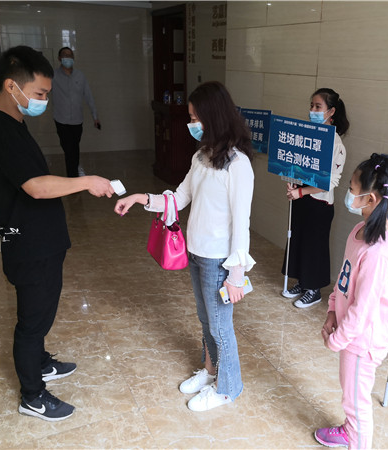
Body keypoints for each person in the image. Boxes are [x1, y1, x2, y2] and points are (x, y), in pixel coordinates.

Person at [0, 45, 114, 421]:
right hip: (28, 243)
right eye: (39, 93)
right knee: (31, 321)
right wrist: (85, 181)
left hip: (42, 239)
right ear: (11, 86)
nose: (43, 101)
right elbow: (36, 186)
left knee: (42, 311)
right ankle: (32, 396)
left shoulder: (14, 123)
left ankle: (40, 362)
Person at [114, 81, 255, 412]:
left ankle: (228, 388)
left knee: (220, 327)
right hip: (196, 253)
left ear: (213, 116)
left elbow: (241, 223)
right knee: (206, 321)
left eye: (195, 118)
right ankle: (210, 371)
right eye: (190, 117)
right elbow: (179, 198)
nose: (191, 124)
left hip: (219, 260)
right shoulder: (201, 157)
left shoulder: (238, 165)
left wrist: (236, 275)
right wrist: (140, 198)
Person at [315, 154, 388, 449]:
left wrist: (338, 339)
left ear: (370, 199)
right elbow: (344, 281)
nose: (348, 193)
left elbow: (363, 309)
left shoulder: (378, 253)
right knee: (350, 392)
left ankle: (357, 441)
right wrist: (332, 310)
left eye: (352, 189)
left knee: (356, 401)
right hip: (351, 334)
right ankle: (348, 431)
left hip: (362, 342)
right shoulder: (359, 232)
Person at [281, 88, 349, 308]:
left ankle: (314, 290)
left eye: (318, 107)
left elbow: (330, 181)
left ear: (331, 111)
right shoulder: (306, 136)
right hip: (301, 198)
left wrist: (301, 192)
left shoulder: (336, 145)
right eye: (311, 105)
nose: (312, 110)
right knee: (299, 240)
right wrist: (292, 181)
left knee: (314, 246)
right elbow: (296, 164)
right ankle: (302, 282)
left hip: (319, 203)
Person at [51, 47, 100, 177]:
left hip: (77, 121)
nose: (68, 57)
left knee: (74, 148)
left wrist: (95, 116)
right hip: (61, 120)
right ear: (59, 58)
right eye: (65, 55)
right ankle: (73, 176)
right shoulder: (53, 76)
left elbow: (88, 96)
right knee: (69, 149)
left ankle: (74, 173)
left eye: (70, 55)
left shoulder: (80, 76)